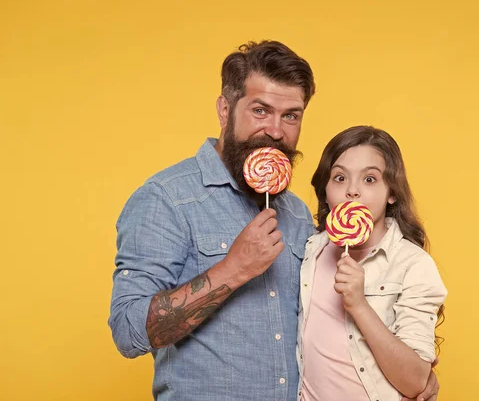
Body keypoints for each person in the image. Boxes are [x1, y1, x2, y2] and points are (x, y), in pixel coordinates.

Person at [108, 40, 441, 401]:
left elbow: (329, 331)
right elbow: (128, 332)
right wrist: (233, 268)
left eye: (291, 115)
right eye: (260, 110)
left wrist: (411, 376)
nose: (276, 131)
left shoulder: (298, 214)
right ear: (224, 109)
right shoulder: (167, 198)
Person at [297, 126, 447, 401]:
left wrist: (359, 304)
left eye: (369, 179)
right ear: (326, 191)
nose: (352, 190)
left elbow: (415, 382)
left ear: (392, 192)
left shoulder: (413, 265)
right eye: (340, 178)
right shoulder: (307, 251)